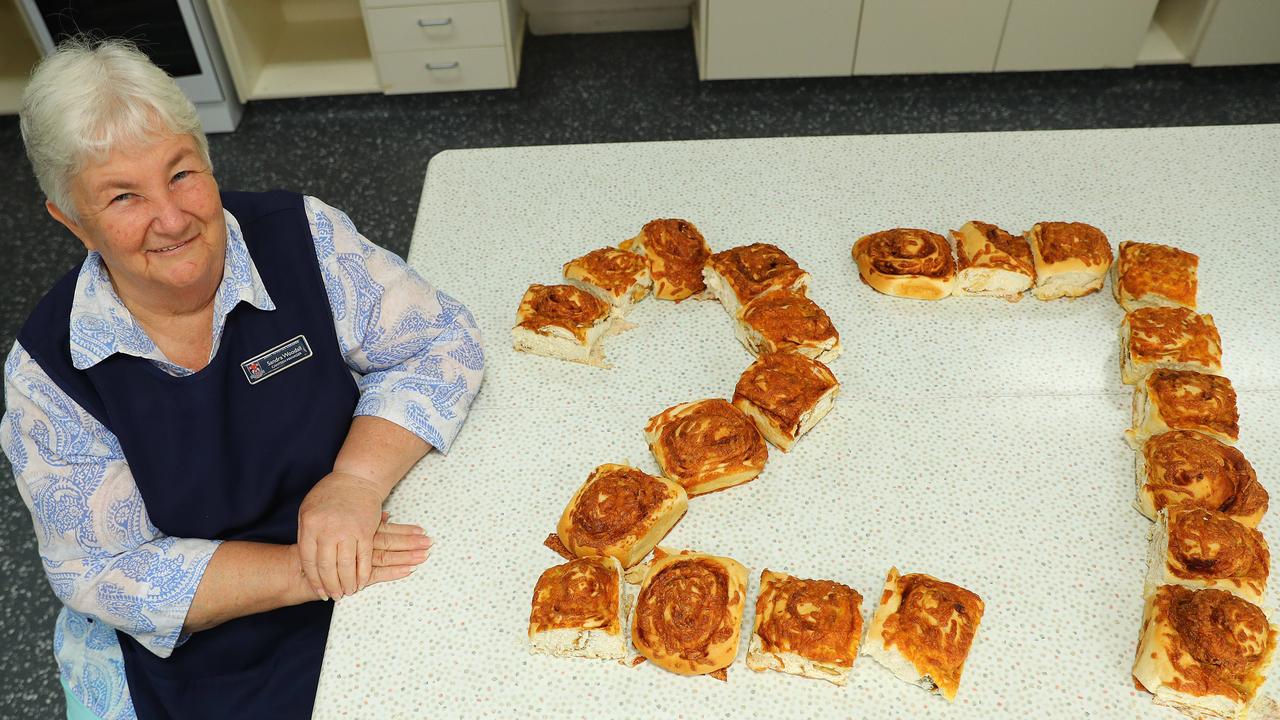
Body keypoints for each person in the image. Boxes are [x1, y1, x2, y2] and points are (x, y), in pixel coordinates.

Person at [1, 38, 485, 720]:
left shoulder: (300, 237)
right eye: (122, 198)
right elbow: (105, 572)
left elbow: (439, 340)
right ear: (73, 222)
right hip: (214, 647)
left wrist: (355, 482)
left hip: (367, 548)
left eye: (181, 174)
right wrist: (308, 568)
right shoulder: (48, 374)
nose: (171, 219)